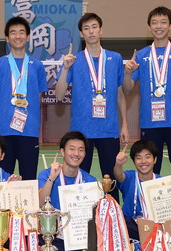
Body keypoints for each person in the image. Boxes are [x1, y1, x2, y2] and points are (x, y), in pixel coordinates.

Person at [122, 6, 171, 196]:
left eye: (163, 22)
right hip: (150, 123)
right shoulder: (141, 55)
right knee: (148, 172)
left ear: (170, 26)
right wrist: (127, 73)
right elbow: (126, 88)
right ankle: (149, 216)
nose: (159, 26)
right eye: (154, 22)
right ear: (149, 27)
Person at [55, 13, 128, 202]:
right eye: (86, 28)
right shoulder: (74, 60)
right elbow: (59, 94)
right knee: (79, 181)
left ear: (101, 30)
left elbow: (120, 93)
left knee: (110, 182)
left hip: (109, 129)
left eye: (94, 27)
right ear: (81, 34)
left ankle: (113, 224)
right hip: (82, 132)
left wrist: (125, 124)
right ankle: (80, 225)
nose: (91, 31)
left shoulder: (115, 58)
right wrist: (65, 68)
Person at [0, 17, 47, 180]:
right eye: (13, 32)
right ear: (7, 38)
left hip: (28, 131)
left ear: (28, 37)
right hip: (3, 131)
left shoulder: (37, 65)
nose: (17, 36)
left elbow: (39, 96)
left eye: (21, 32)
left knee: (28, 180)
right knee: (2, 181)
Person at [113, 140, 171, 251]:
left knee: (170, 232)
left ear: (155, 160)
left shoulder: (163, 183)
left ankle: (138, 248)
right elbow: (119, 176)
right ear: (134, 161)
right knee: (119, 225)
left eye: (147, 157)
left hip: (154, 227)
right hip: (132, 225)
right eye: (138, 158)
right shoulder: (130, 177)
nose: (143, 161)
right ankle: (150, 247)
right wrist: (118, 164)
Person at [38, 131, 97, 251]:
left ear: (85, 154)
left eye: (80, 150)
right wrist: (51, 179)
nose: (76, 154)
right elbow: (41, 204)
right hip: (53, 234)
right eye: (72, 149)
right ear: (63, 152)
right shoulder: (46, 174)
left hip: (77, 234)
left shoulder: (90, 181)